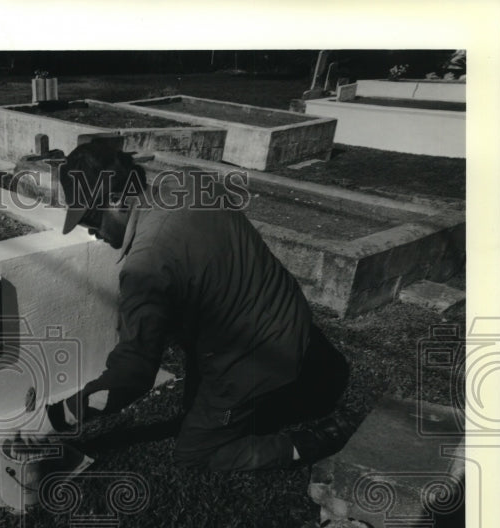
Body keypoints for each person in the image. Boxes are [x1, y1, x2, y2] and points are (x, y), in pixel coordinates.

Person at [46, 138, 352, 471]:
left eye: (92, 221)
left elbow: (131, 376)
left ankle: (311, 441)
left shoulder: (146, 265)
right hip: (288, 314)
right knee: (199, 403)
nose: (95, 235)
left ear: (118, 199)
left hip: (261, 355)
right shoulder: (186, 181)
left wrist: (54, 420)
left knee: (196, 451)